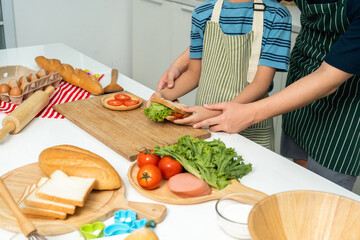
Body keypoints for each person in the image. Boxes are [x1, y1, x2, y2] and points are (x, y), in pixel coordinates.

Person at [159, 0, 360, 191]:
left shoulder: (275, 16)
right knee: (298, 176)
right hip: (301, 80)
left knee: (323, 193)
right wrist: (176, 69)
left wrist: (233, 112)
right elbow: (231, 17)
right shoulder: (205, 11)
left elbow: (328, 79)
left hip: (347, 98)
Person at [151, 0, 292, 150]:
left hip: (250, 130)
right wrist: (163, 96)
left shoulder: (276, 16)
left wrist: (214, 113)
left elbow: (261, 84)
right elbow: (193, 74)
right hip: (204, 124)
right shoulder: (203, 12)